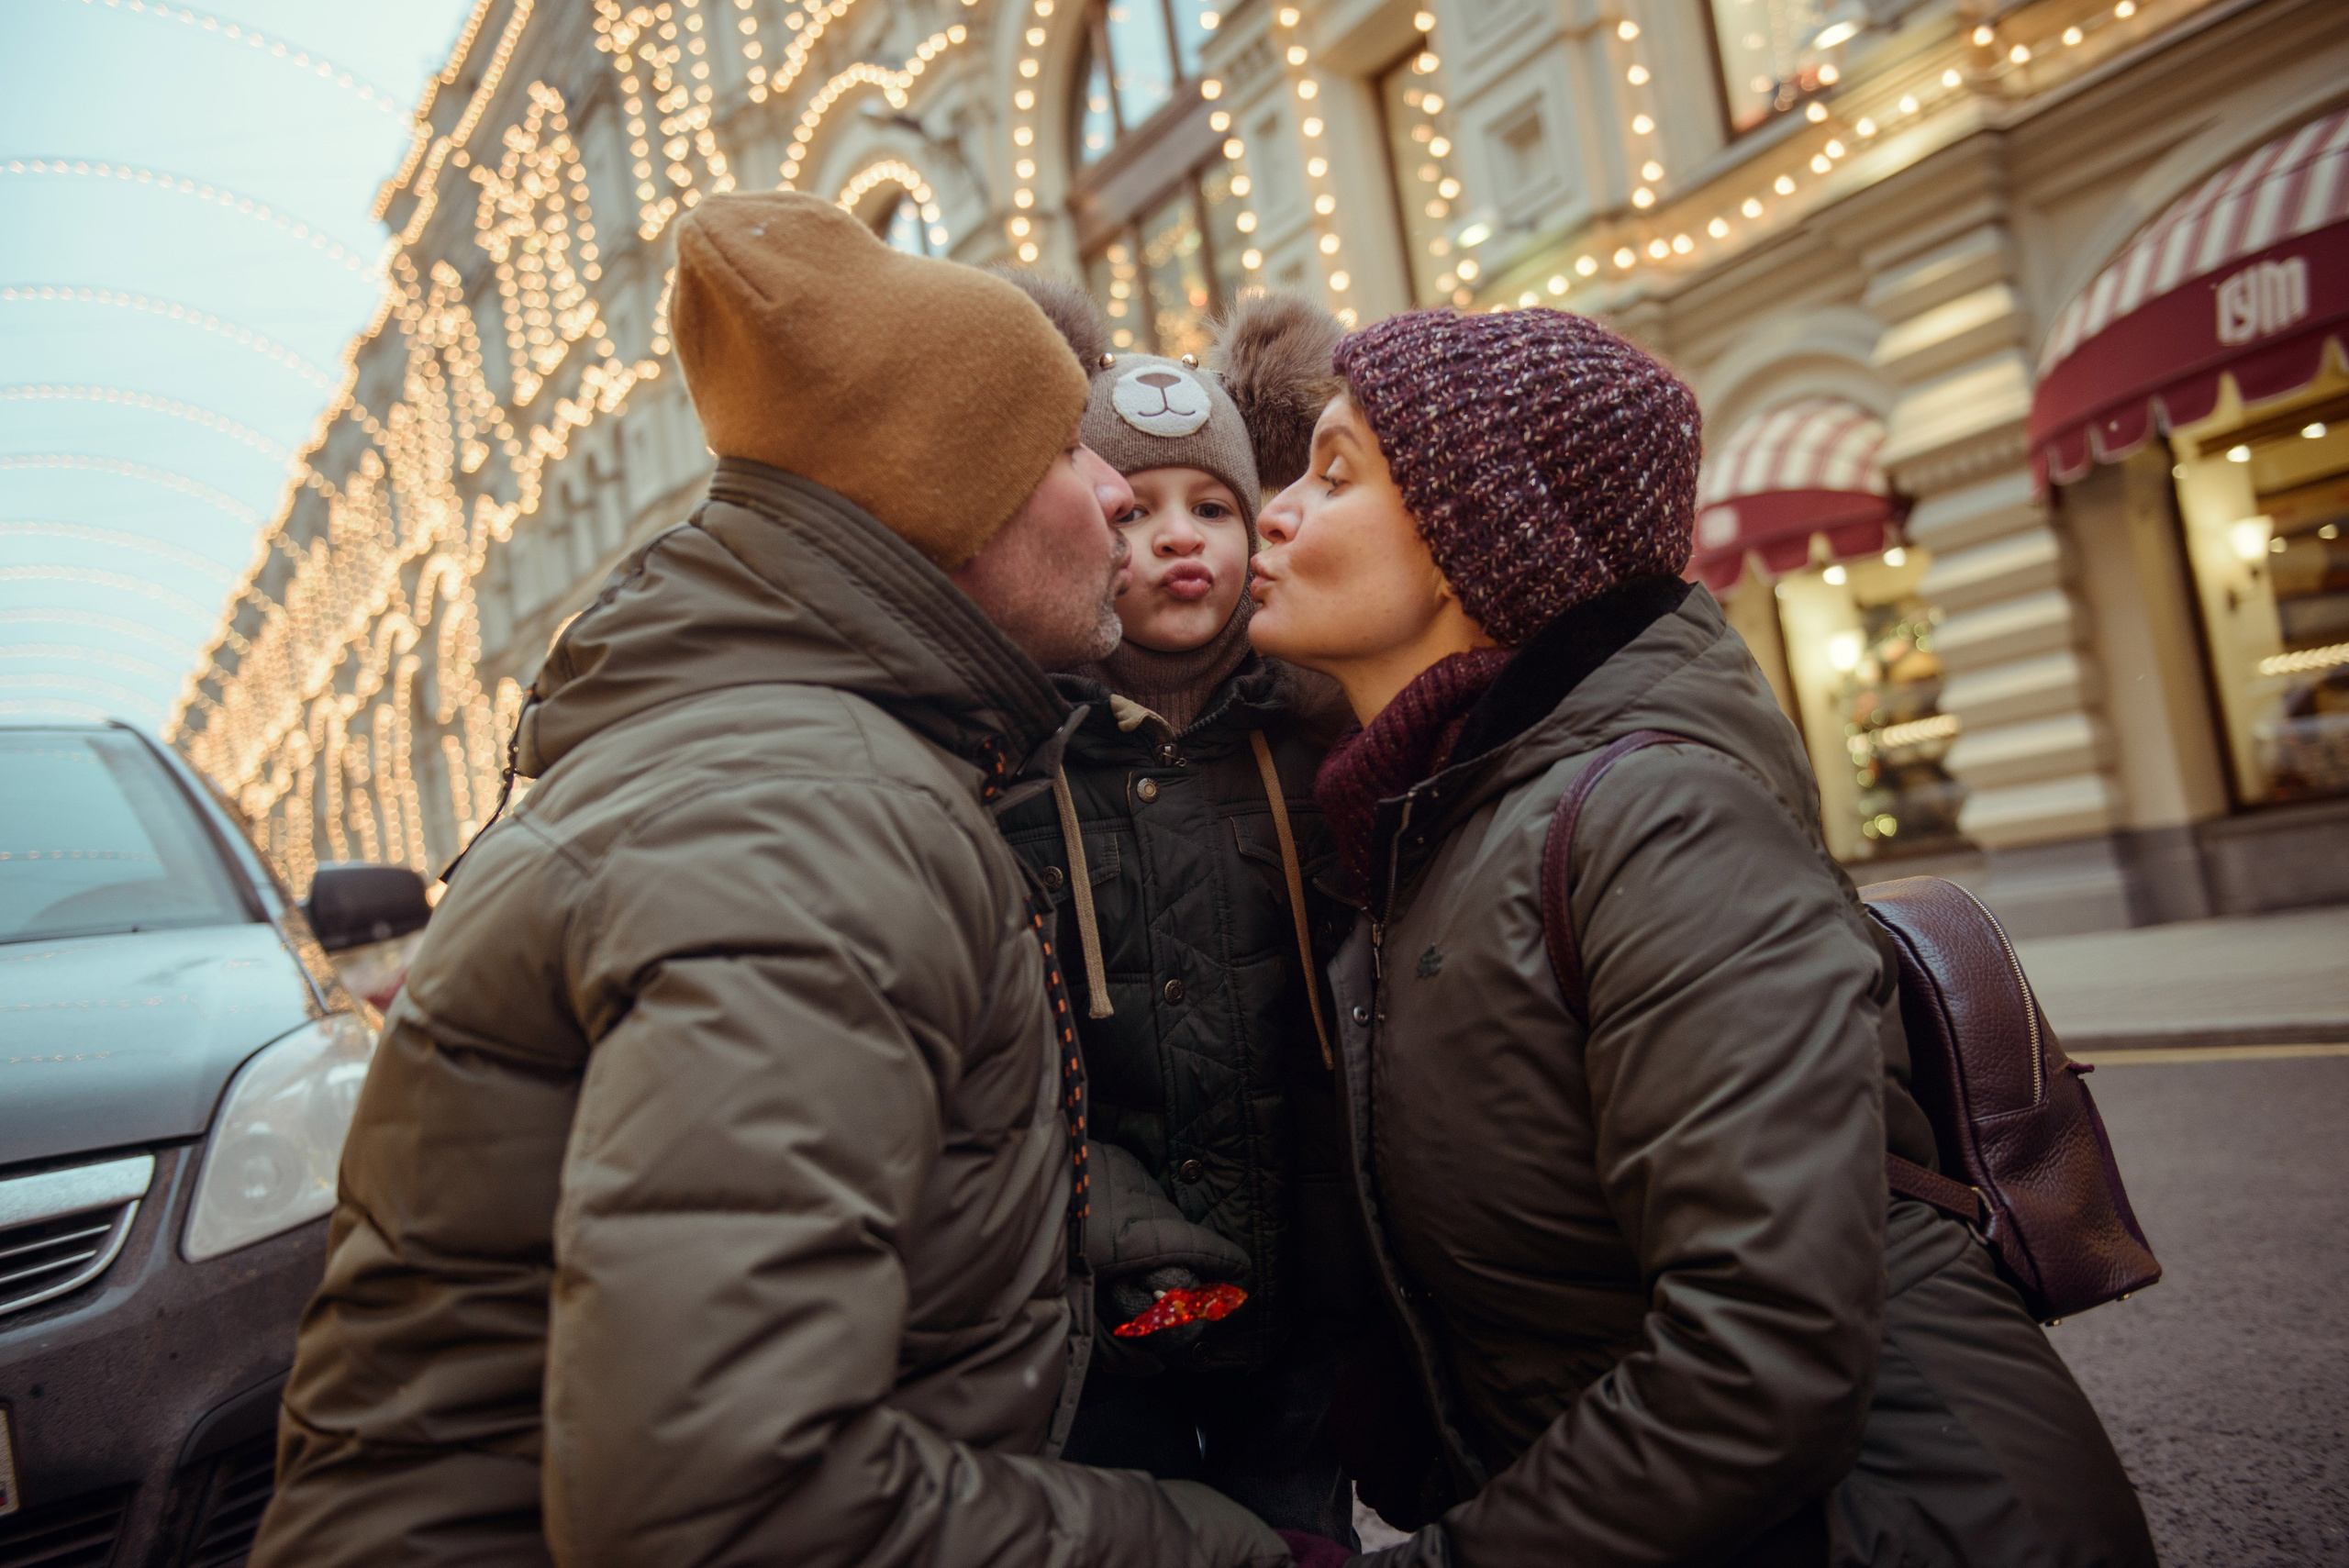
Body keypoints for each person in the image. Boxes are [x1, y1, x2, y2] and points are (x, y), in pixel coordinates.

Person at [250, 191, 1290, 1568]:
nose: (1113, 485)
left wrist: (1080, 1209)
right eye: (1057, 444)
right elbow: (731, 1500)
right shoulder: (803, 831)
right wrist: (1205, 1545)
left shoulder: (814, 771)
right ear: (947, 501)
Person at [1246, 306, 2158, 1567]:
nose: (1273, 511)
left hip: (1913, 1525)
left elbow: (1762, 1356)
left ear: (1476, 538)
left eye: (1332, 473)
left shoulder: (1657, 816)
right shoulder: (1431, 825)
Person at [992, 284, 1365, 1544]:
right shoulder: (1029, 767)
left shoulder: (1312, 739)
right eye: (1137, 509)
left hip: (1311, 1290)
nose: (1177, 538)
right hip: (1109, 1314)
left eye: (1212, 505)